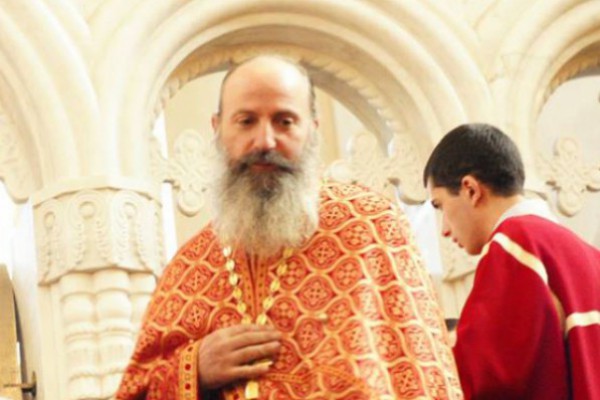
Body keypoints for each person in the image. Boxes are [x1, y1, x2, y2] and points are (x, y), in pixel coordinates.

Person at [116, 55, 462, 400]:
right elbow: (134, 392)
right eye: (246, 121)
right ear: (217, 129)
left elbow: (425, 373)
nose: (265, 141)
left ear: (312, 128)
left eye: (284, 121)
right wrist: (194, 369)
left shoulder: (373, 228)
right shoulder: (189, 266)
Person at [423, 123, 600, 399]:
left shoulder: (514, 243)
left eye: (440, 205)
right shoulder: (588, 255)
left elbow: (483, 375)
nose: (444, 228)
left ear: (470, 190)